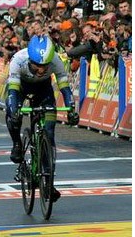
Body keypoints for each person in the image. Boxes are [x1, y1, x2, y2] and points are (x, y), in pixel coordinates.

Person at [5, 35, 80, 202]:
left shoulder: (56, 60)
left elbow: (65, 87)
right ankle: (17, 143)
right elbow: (13, 92)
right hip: (21, 86)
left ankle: (48, 182)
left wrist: (71, 109)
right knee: (12, 115)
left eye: (45, 66)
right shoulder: (18, 60)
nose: (41, 70)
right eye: (37, 65)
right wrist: (14, 111)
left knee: (49, 134)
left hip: (43, 89)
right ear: (30, 59)